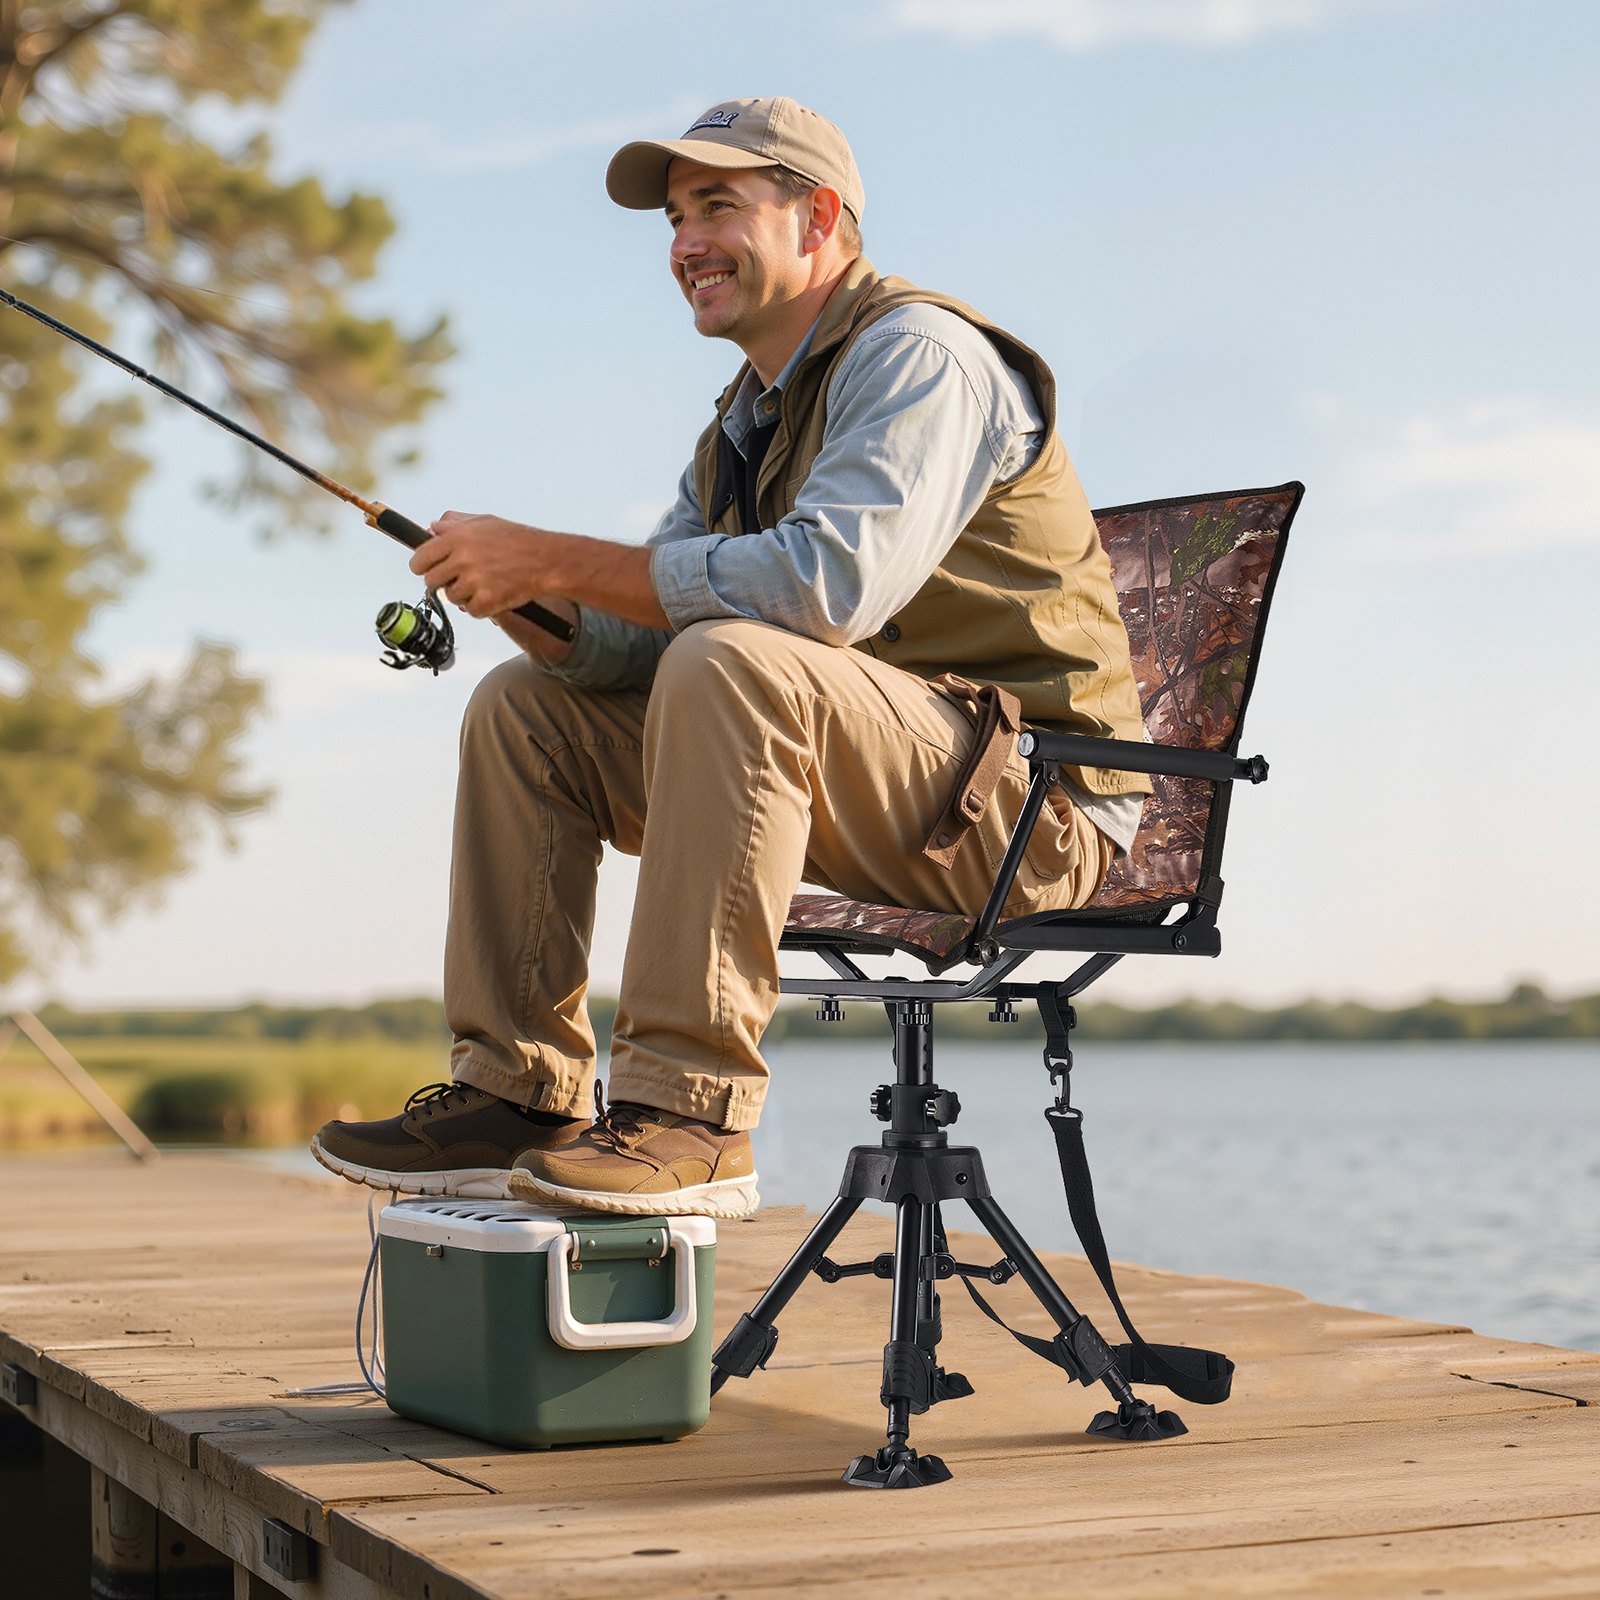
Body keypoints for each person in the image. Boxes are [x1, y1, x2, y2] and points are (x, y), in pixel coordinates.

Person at [310, 96, 1150, 1219]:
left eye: (716, 207)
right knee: (525, 706)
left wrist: (552, 553)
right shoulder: (742, 423)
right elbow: (629, 639)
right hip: (880, 778)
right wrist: (526, 599)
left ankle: (690, 1114)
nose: (684, 244)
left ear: (818, 219)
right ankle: (518, 1092)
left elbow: (821, 588)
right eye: (672, 218)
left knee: (737, 661)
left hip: (1031, 813)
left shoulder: (921, 357)